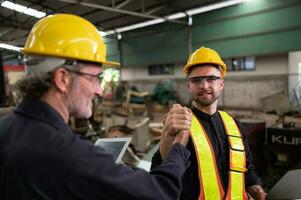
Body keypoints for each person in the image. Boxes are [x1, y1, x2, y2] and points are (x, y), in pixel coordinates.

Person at [0, 14, 191, 200]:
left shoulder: (5, 129)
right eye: (95, 78)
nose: (99, 90)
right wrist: (178, 149)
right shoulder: (72, 156)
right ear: (63, 79)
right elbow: (160, 193)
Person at [151, 47, 267, 200]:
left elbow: (246, 169)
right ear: (188, 86)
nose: (204, 86)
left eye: (211, 79)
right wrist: (166, 137)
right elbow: (160, 178)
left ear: (221, 84)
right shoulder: (181, 125)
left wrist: (256, 189)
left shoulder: (234, 125)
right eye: (196, 80)